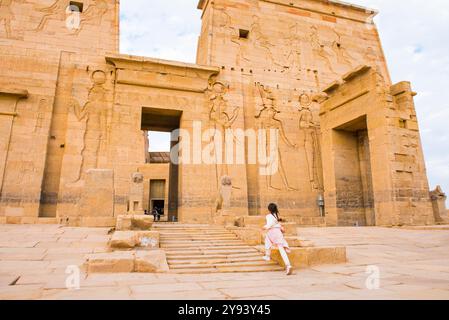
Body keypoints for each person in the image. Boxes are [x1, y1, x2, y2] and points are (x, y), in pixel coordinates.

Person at [263, 203, 293, 275]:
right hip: (278, 233)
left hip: (272, 232)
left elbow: (270, 224)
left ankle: (267, 256)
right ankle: (288, 265)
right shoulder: (276, 215)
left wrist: (264, 227)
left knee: (267, 241)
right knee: (281, 248)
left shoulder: (269, 216)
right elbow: (277, 224)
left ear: (269, 209)